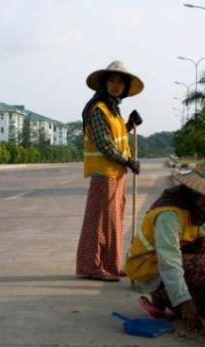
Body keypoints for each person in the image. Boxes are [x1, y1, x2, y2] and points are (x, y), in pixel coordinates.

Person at [124, 156, 205, 334]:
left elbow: (192, 234)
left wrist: (204, 240)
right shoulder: (169, 216)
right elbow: (169, 261)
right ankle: (165, 299)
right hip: (149, 269)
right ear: (194, 190)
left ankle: (169, 298)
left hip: (171, 258)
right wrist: (185, 302)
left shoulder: (193, 209)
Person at [76, 60, 144, 282]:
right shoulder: (98, 110)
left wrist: (129, 125)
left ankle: (111, 265)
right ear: (104, 85)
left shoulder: (114, 111)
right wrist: (128, 161)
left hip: (116, 173)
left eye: (120, 82)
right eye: (112, 81)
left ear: (124, 88)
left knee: (113, 221)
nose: (116, 85)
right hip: (103, 173)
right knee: (99, 222)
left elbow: (115, 136)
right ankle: (91, 266)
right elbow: (104, 143)